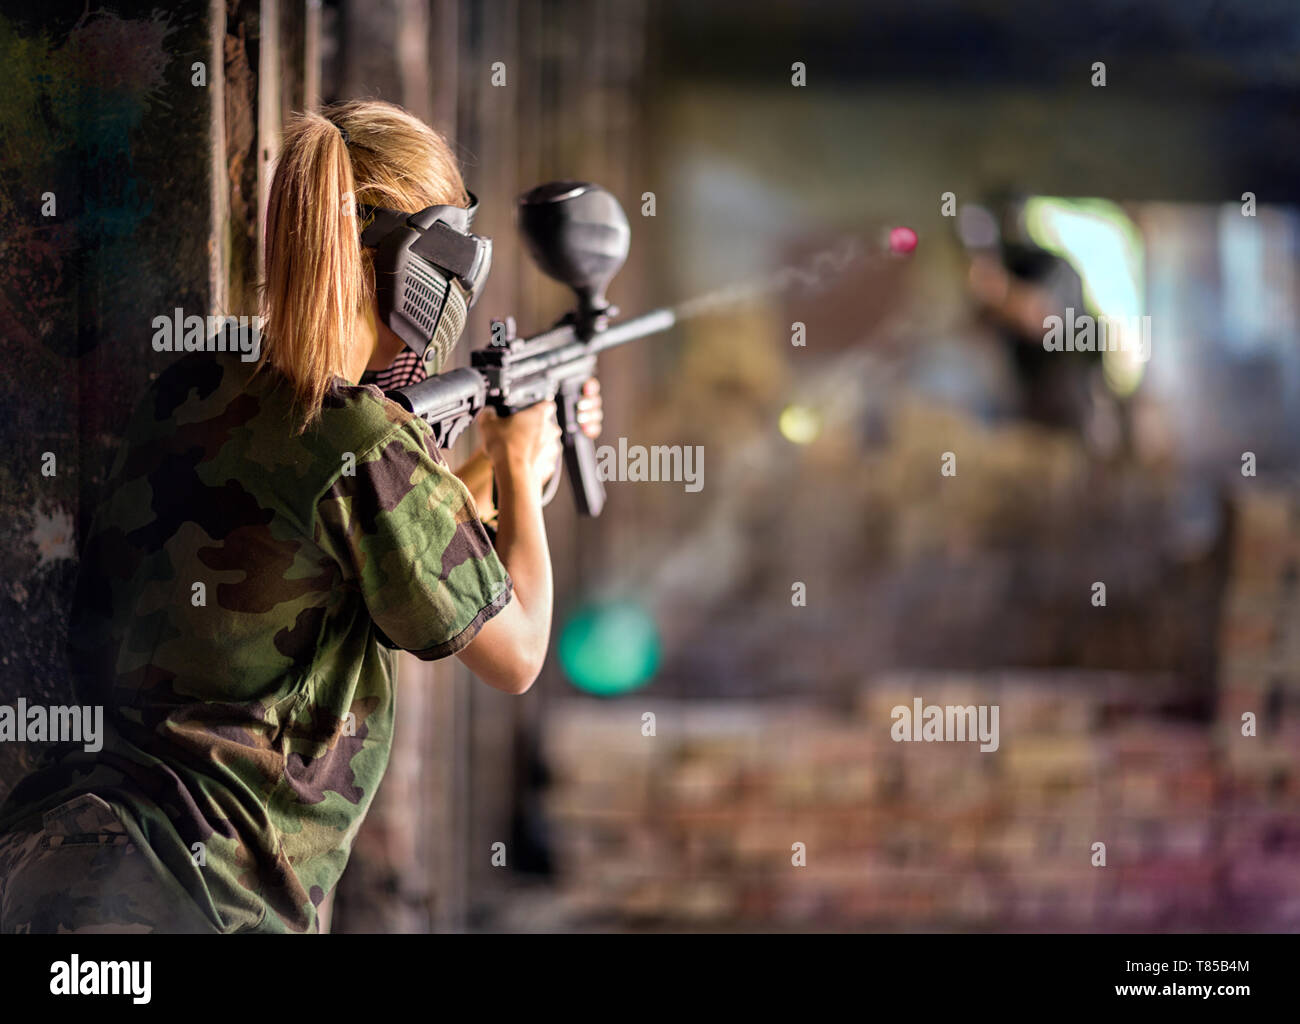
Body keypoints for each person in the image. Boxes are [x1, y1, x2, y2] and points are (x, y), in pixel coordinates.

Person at [0, 99, 601, 933]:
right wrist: (518, 458)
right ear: (427, 268)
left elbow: (343, 548)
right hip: (204, 901)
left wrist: (488, 471)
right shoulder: (365, 440)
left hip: (57, 863)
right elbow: (520, 654)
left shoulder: (199, 380)